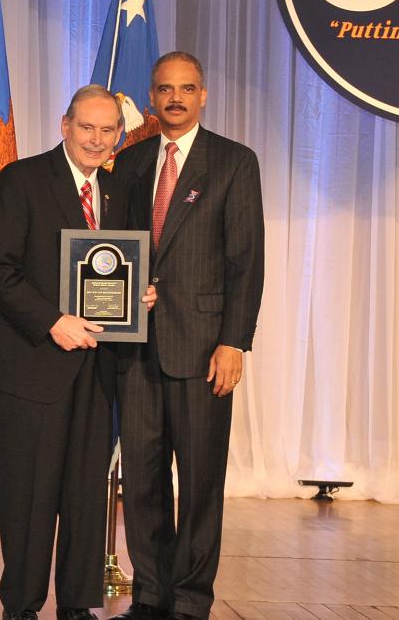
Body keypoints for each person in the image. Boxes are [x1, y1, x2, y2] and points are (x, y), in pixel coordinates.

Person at [0, 85, 152, 620]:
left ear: (118, 135)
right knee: (28, 499)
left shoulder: (120, 190)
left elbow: (121, 267)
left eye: (108, 131)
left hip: (97, 372)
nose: (97, 140)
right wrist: (52, 321)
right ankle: (22, 608)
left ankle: (78, 608)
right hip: (31, 368)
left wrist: (142, 291)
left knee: (86, 497)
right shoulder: (23, 179)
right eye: (87, 128)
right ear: (64, 124)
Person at [109, 52, 265, 620]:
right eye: (164, 89)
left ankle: (192, 599)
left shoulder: (233, 162)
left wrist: (235, 341)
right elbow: (115, 254)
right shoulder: (128, 163)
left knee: (200, 482)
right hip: (134, 349)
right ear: (150, 97)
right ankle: (150, 594)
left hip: (204, 349)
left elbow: (246, 262)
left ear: (204, 95)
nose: (175, 98)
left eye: (187, 88)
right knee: (142, 480)